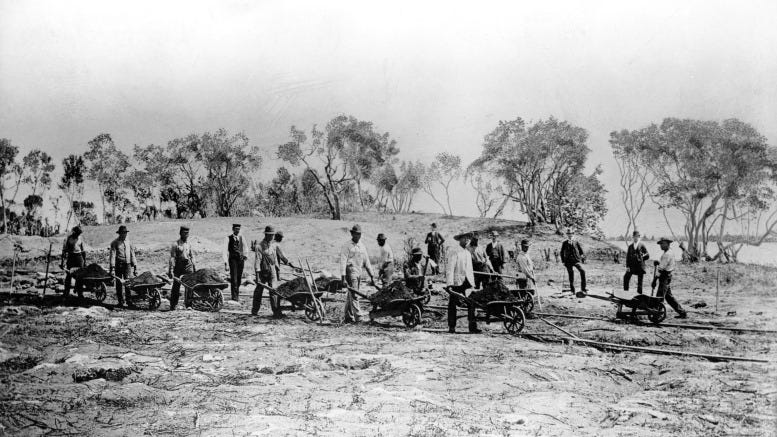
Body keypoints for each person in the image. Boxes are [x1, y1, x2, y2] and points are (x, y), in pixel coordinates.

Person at [339, 224, 376, 323]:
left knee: (351, 294)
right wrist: (343, 278)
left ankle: (348, 315)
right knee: (355, 294)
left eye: (359, 234)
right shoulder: (347, 246)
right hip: (350, 271)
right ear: (352, 234)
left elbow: (367, 261)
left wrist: (372, 275)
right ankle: (358, 317)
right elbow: (343, 262)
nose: (357, 236)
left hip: (359, 272)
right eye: (355, 234)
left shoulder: (362, 246)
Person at [253, 226, 287, 318]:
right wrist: (257, 276)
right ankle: (255, 310)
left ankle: (276, 312)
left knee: (274, 291)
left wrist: (277, 270)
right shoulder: (259, 246)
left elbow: (275, 259)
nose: (272, 237)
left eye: (273, 235)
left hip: (272, 270)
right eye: (270, 235)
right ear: (266, 235)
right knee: (259, 291)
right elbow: (257, 262)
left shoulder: (273, 245)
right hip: (263, 271)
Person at [447, 233, 478, 334]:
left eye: (468, 239)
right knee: (453, 304)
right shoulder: (454, 252)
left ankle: (472, 327)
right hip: (457, 282)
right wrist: (450, 284)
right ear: (460, 240)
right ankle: (452, 326)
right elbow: (450, 269)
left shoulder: (468, 253)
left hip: (467, 282)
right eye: (465, 238)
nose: (467, 240)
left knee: (472, 303)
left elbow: (470, 270)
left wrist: (472, 284)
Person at [653, 237, 687, 318]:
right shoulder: (668, 252)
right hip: (667, 276)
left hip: (665, 276)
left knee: (660, 296)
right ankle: (682, 313)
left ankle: (657, 315)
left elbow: (661, 269)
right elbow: (664, 264)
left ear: (668, 244)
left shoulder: (667, 254)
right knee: (669, 297)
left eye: (663, 244)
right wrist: (658, 262)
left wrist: (654, 280)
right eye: (660, 244)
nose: (661, 245)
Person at [168, 226, 196, 311]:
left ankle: (189, 305)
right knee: (176, 286)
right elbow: (172, 258)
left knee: (190, 285)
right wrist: (171, 270)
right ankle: (173, 305)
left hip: (188, 266)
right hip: (178, 266)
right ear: (180, 233)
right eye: (184, 233)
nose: (186, 235)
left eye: (187, 233)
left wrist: (194, 266)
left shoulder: (189, 244)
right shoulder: (175, 244)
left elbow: (192, 256)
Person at [109, 225, 137, 307]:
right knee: (119, 284)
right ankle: (120, 301)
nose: (124, 235)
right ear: (119, 234)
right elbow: (112, 256)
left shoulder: (129, 242)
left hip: (127, 265)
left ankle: (129, 301)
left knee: (128, 283)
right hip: (118, 265)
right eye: (123, 233)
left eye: (125, 233)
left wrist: (135, 266)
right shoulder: (114, 243)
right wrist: (112, 268)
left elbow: (133, 254)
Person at [223, 224, 248, 302]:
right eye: (236, 229)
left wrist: (245, 255)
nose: (237, 230)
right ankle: (234, 297)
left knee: (239, 278)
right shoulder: (228, 238)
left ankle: (237, 294)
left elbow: (245, 247)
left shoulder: (241, 237)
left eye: (238, 229)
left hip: (240, 260)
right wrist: (226, 263)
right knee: (234, 278)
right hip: (233, 260)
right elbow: (224, 251)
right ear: (233, 229)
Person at [60, 226, 86, 297]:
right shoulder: (68, 239)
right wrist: (62, 262)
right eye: (77, 233)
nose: (78, 235)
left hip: (79, 258)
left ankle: (80, 293)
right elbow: (64, 251)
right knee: (69, 275)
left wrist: (84, 261)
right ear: (74, 232)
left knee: (80, 276)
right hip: (71, 258)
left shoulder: (80, 238)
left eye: (79, 234)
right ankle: (66, 292)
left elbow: (83, 251)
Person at [560, 228, 587, 297]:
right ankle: (572, 291)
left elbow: (581, 250)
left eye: (571, 234)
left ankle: (583, 289)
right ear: (567, 235)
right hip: (568, 261)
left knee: (582, 271)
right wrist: (563, 261)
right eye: (568, 234)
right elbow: (561, 252)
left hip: (576, 260)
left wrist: (583, 257)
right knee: (571, 276)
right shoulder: (564, 243)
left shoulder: (576, 242)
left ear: (573, 234)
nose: (570, 235)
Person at [623, 230, 650, 294]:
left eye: (637, 236)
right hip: (632, 266)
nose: (635, 238)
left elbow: (647, 255)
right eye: (634, 236)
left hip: (640, 266)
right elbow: (628, 257)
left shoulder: (642, 245)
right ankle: (625, 293)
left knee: (640, 282)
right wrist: (627, 266)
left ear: (639, 237)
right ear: (633, 237)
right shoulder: (630, 246)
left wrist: (641, 258)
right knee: (626, 277)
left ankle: (639, 295)